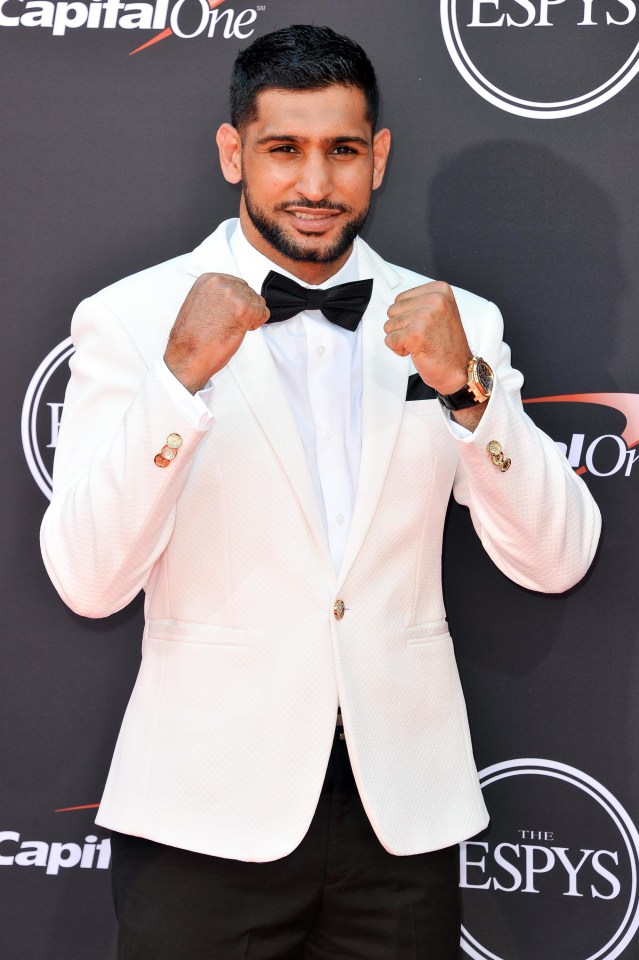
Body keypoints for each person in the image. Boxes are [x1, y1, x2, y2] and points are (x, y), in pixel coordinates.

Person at [40, 23, 601, 960]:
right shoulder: (132, 317)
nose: (314, 184)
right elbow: (88, 581)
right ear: (233, 153)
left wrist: (469, 393)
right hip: (201, 816)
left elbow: (556, 561)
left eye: (341, 151)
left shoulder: (455, 322)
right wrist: (177, 381)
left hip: (398, 817)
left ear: (377, 158)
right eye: (283, 150)